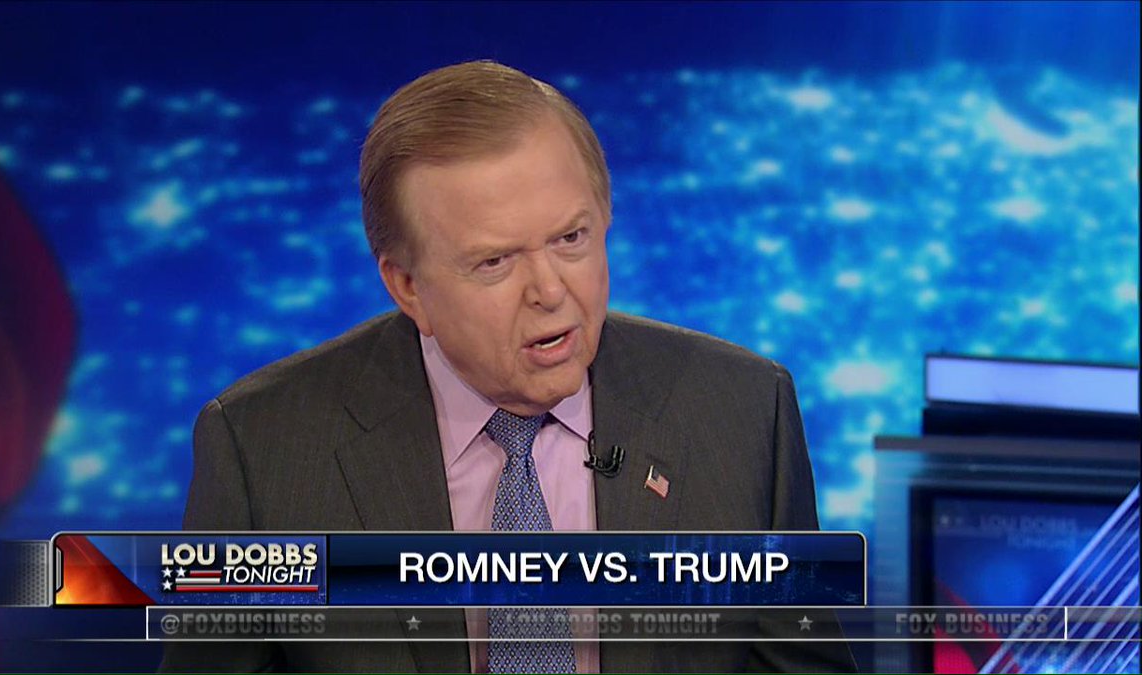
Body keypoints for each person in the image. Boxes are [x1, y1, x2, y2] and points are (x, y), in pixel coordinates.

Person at [161, 60, 855, 673]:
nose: (550, 290)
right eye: (494, 261)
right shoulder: (264, 448)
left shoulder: (743, 412)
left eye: (570, 237)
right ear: (407, 286)